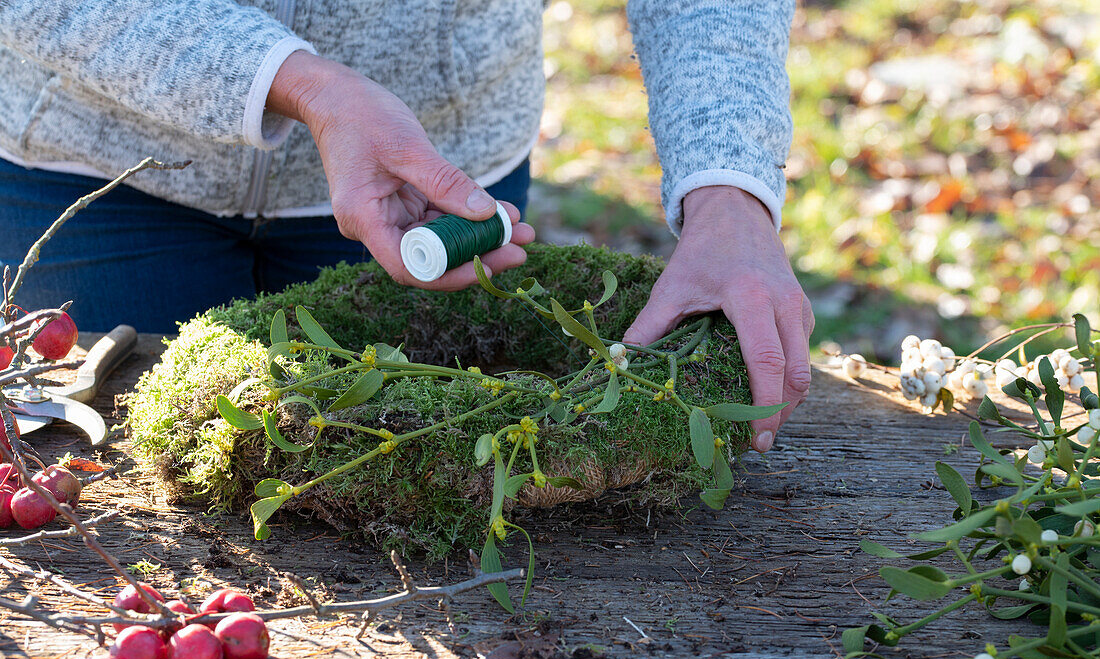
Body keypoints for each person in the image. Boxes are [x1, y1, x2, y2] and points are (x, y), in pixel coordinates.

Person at [0, 1, 812, 452]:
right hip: (98, 165)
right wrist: (296, 83)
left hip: (424, 177)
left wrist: (729, 184)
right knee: (101, 479)